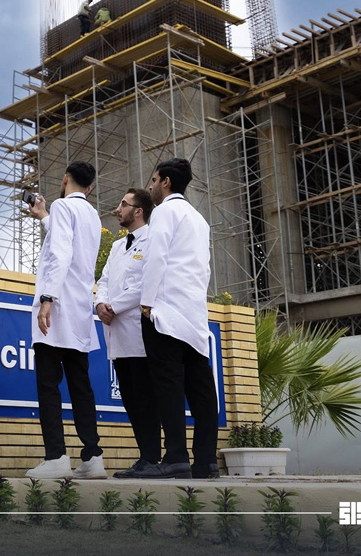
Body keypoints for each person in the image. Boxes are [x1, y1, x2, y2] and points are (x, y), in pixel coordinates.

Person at [138, 158, 219, 480]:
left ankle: (175, 457)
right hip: (194, 313)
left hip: (166, 313)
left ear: (166, 182)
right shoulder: (200, 219)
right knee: (202, 390)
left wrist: (146, 304)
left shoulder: (164, 212)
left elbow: (155, 257)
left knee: (168, 387)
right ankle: (206, 461)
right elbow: (205, 268)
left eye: (154, 180)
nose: (151, 187)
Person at [26, 161, 105, 479]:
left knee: (48, 384)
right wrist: (44, 216)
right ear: (90, 187)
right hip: (79, 311)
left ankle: (56, 456)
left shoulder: (62, 207)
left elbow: (60, 253)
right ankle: (93, 456)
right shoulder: (92, 214)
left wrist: (47, 299)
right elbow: (69, 243)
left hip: (57, 307)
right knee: (81, 386)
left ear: (65, 179)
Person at [94, 188, 161, 478]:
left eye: (124, 204)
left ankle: (152, 458)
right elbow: (104, 280)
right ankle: (145, 457)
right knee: (131, 401)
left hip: (138, 331)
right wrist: (100, 304)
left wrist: (114, 306)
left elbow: (147, 283)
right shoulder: (117, 246)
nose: (118, 209)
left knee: (146, 399)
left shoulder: (153, 240)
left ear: (138, 211)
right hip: (116, 333)